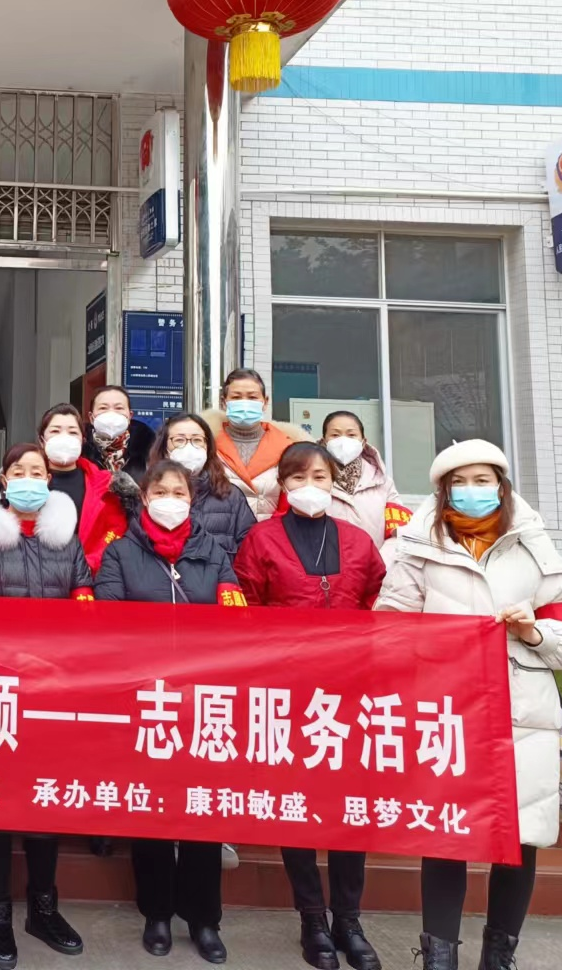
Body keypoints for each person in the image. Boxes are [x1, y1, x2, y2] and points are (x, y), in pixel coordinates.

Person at [375, 440, 562, 970]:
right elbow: (387, 631)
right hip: (445, 711)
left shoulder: (534, 547)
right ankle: (438, 955)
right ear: (442, 491)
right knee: (445, 832)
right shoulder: (416, 547)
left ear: (501, 485)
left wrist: (533, 631)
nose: (472, 491)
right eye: (459, 483)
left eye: (482, 480)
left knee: (519, 837)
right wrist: (433, 643)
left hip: (523, 714)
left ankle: (500, 954)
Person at [233, 443, 386, 970]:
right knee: (295, 807)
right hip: (288, 694)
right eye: (297, 477)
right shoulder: (261, 539)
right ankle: (312, 918)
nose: (309, 486)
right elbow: (246, 611)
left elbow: (381, 604)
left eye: (319, 476)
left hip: (350, 694)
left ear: (333, 480)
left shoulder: (359, 540)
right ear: (283, 484)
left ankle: (349, 919)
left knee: (349, 808)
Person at [94, 461, 244, 964]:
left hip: (204, 699)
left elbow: (234, 621)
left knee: (202, 809)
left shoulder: (213, 552)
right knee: (151, 808)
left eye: (179, 491)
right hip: (146, 697)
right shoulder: (120, 552)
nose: (170, 499)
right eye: (160, 491)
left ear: (192, 498)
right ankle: (156, 912)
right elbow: (110, 624)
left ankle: (203, 918)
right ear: (144, 497)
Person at [0, 445, 92, 969]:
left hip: (54, 691)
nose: (30, 478)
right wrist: (9, 663)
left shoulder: (65, 536)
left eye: (38, 471)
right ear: (4, 480)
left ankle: (43, 908)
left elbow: (85, 599)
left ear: (49, 481)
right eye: (20, 471)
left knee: (45, 801)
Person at [205, 368, 307, 520]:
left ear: (265, 402)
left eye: (252, 397)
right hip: (217, 532)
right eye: (236, 397)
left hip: (270, 532)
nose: (245, 403)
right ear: (224, 402)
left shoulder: (288, 446)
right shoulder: (206, 444)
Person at [39, 402, 130, 572]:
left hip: (90, 576)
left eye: (72, 432)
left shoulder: (106, 484)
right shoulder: (26, 483)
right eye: (55, 431)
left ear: (82, 440)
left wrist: (86, 567)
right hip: (38, 576)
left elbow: (115, 531)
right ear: (42, 440)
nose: (64, 438)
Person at [151, 413, 256, 556]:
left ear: (208, 446)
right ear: (164, 448)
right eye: (179, 440)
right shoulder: (150, 494)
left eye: (197, 440)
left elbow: (249, 551)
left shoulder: (231, 495)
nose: (189, 447)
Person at [318, 410, 408, 544]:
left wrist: (383, 556)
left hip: (375, 556)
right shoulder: (311, 479)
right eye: (335, 435)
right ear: (324, 441)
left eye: (351, 435)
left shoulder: (382, 481)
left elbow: (398, 529)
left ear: (363, 442)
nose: (343, 441)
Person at [82, 385, 155, 480]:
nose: (111, 413)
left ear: (129, 416)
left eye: (119, 408)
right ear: (91, 418)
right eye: (103, 408)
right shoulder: (80, 450)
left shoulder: (148, 448)